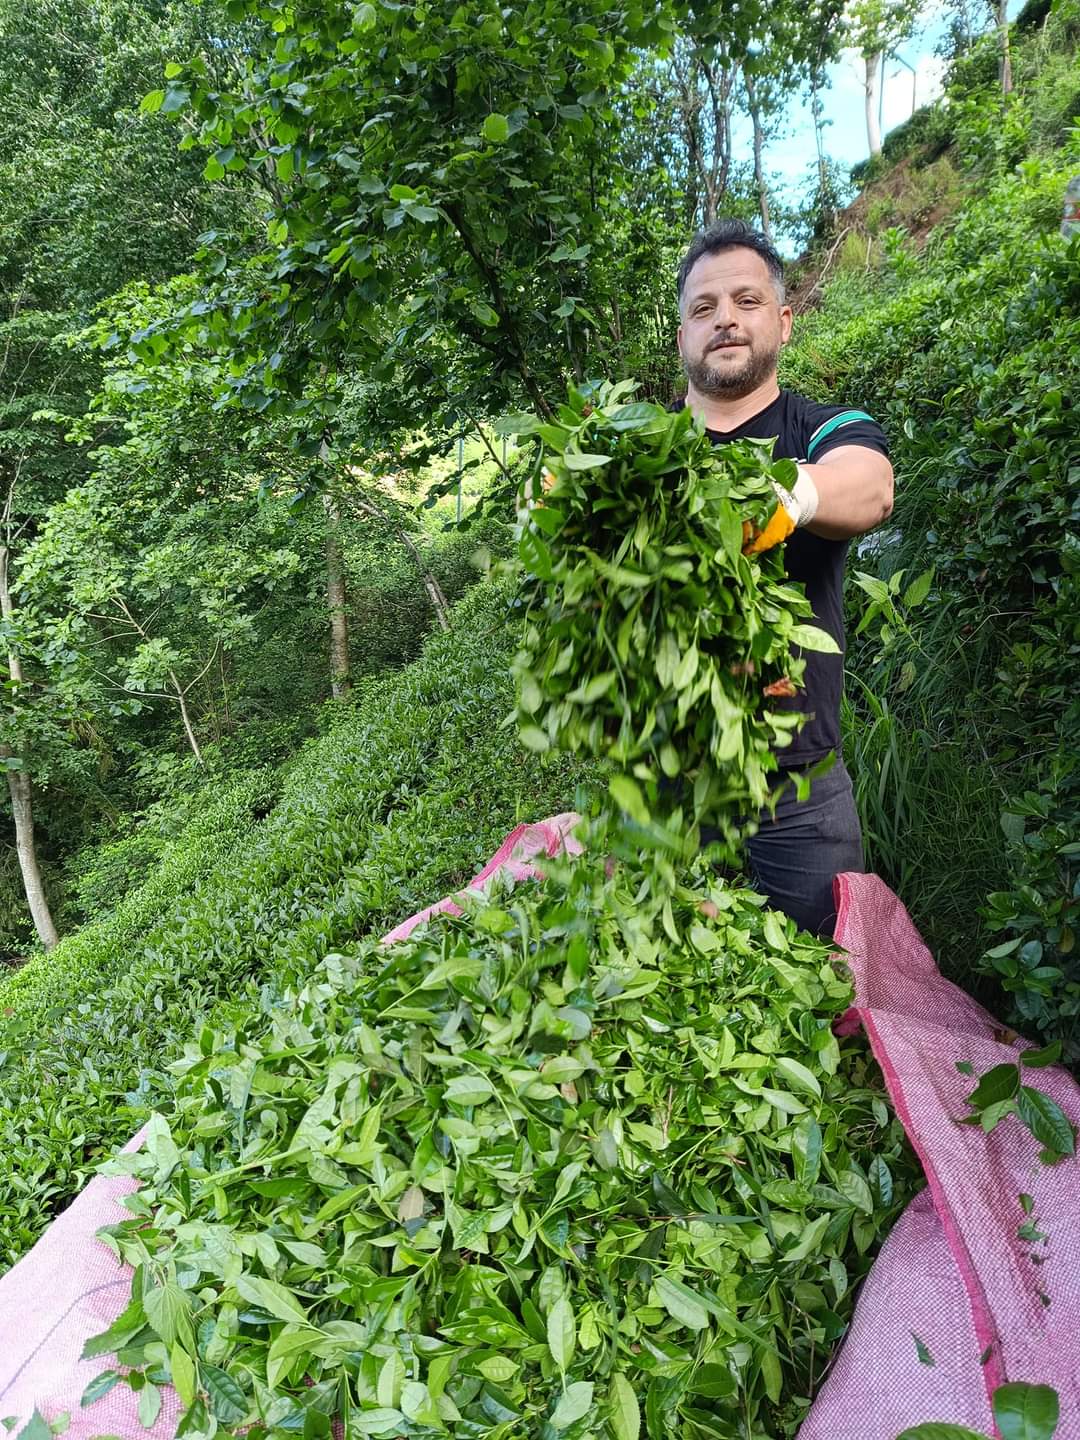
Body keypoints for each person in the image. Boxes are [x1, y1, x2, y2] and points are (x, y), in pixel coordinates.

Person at [676, 218, 894, 937]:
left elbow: (869, 487)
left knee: (821, 991)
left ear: (784, 321)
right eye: (704, 309)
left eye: (746, 301)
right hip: (668, 788)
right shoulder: (638, 452)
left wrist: (791, 493)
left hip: (799, 789)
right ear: (683, 336)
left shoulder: (823, 428)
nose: (725, 320)